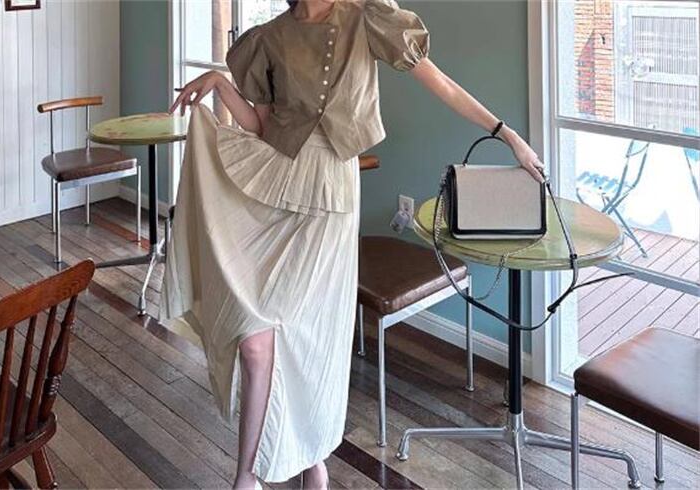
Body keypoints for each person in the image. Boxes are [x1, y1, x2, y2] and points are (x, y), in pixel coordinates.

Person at [161, 1, 545, 489]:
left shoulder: (366, 17)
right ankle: (255, 475)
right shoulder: (270, 36)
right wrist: (220, 83)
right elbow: (260, 126)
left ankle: (301, 459)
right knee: (255, 341)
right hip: (274, 186)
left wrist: (508, 136)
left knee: (308, 337)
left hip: (330, 197)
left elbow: (441, 83)